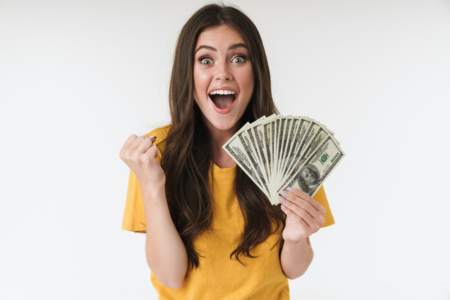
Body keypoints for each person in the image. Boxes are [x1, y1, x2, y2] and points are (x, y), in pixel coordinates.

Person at [119, 3, 335, 299]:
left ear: (256, 71)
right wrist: (153, 186)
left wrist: (296, 238)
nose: (222, 73)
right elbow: (170, 275)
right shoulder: (156, 154)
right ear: (188, 73)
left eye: (238, 58)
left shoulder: (290, 151)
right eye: (206, 60)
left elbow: (293, 269)